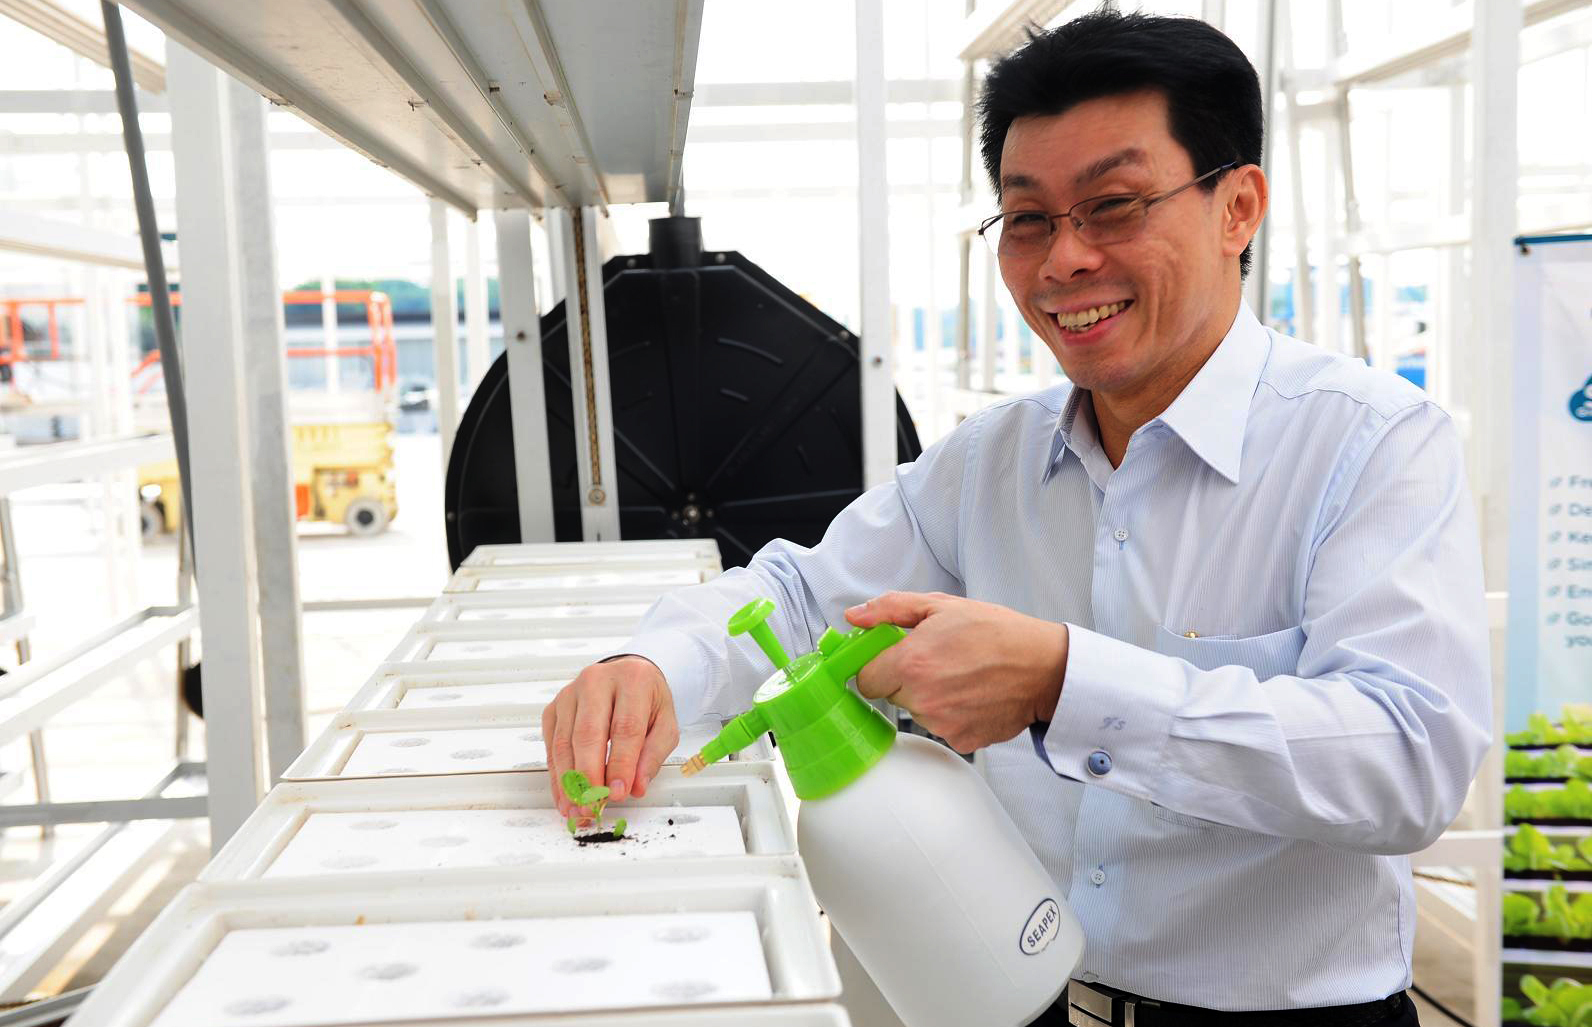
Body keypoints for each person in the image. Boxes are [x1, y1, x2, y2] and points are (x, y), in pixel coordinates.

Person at [542, 11, 1489, 1025]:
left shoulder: (1367, 443)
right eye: (1027, 217)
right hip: (1015, 994)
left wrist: (1061, 682)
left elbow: (1408, 758)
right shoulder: (988, 462)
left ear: (1237, 207)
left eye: (1113, 205)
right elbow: (797, 596)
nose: (1062, 259)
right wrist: (648, 668)